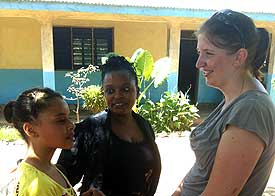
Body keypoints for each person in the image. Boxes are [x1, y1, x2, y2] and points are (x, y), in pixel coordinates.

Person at [173, 9, 275, 196]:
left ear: (239, 57)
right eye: (199, 52)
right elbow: (202, 168)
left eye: (209, 53)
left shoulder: (251, 109)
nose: (198, 63)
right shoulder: (233, 99)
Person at [57, 55, 162, 196]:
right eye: (110, 91)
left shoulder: (144, 126)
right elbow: (61, 181)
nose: (118, 96)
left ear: (136, 91)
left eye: (125, 89)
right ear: (104, 93)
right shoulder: (89, 130)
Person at [3, 87, 77, 196]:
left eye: (69, 117)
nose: (71, 125)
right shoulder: (37, 186)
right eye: (61, 120)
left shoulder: (49, 169)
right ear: (30, 130)